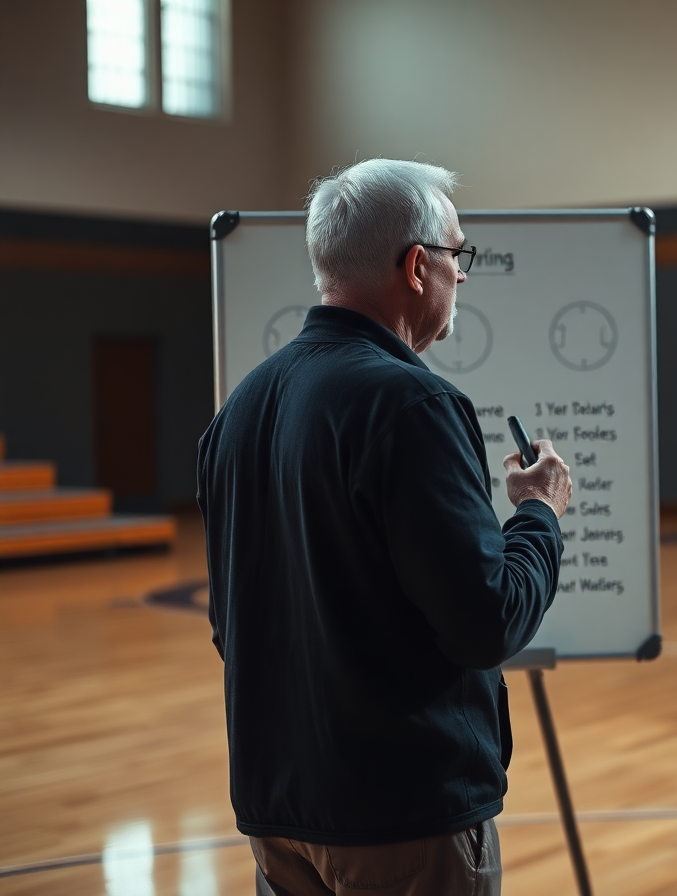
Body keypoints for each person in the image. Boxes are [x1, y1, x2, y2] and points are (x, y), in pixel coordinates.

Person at [196, 158, 572, 896]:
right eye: (457, 256)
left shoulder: (238, 411)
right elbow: (486, 622)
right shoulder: (412, 404)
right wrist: (539, 514)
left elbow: (228, 626)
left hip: (278, 811)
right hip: (403, 820)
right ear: (416, 265)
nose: (462, 276)